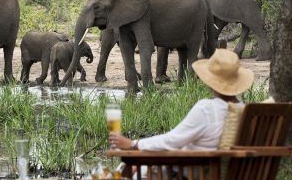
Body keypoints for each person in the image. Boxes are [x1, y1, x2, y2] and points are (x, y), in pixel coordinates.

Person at [108, 48, 254, 151]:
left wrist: (134, 144)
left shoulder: (207, 109)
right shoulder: (246, 112)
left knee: (134, 171)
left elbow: (173, 140)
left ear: (210, 82)